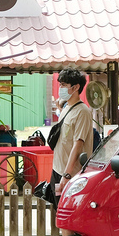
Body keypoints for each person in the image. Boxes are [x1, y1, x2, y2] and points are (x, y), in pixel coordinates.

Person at [52, 69, 94, 198]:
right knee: (58, 211)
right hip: (58, 169)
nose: (61, 88)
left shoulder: (82, 112)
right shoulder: (67, 108)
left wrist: (67, 175)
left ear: (75, 87)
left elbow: (78, 145)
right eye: (60, 85)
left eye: (64, 85)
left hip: (71, 174)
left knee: (68, 213)